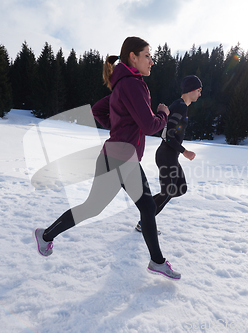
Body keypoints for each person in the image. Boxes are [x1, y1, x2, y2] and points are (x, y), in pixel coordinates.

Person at [33, 37, 181, 280]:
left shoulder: (122, 84)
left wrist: (121, 127)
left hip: (119, 157)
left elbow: (98, 111)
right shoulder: (133, 85)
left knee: (123, 207)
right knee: (138, 207)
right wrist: (163, 114)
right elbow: (149, 125)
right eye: (147, 55)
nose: (152, 61)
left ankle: (46, 236)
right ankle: (157, 261)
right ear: (133, 57)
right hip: (121, 159)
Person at [135, 75, 202, 233]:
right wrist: (184, 151)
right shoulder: (180, 106)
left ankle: (147, 208)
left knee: (181, 188)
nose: (200, 94)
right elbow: (168, 135)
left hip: (170, 155)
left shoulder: (181, 106)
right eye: (199, 90)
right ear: (191, 90)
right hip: (166, 155)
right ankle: (144, 223)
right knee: (168, 192)